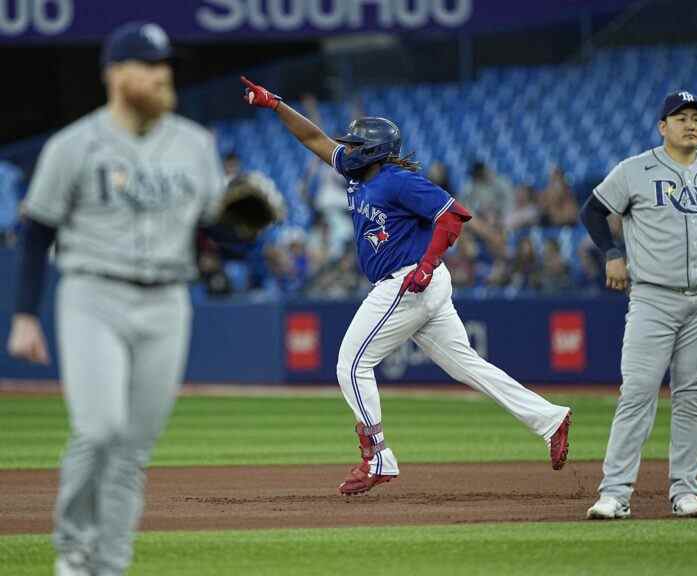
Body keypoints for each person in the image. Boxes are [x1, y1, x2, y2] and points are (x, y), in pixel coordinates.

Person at [241, 76, 572, 494]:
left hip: (408, 282)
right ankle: (550, 418)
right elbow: (313, 137)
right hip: (413, 283)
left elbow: (453, 216)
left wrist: (428, 265)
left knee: (351, 364)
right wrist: (275, 105)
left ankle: (378, 455)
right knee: (467, 366)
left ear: (377, 150)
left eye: (358, 145)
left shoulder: (397, 180)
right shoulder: (356, 169)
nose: (349, 149)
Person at [6, 23, 228, 576]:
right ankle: (74, 549)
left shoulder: (195, 145)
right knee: (100, 429)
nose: (161, 76)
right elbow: (37, 232)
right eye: (150, 66)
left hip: (168, 299)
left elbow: (215, 233)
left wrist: (241, 231)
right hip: (91, 292)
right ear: (116, 74)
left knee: (132, 449)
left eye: (165, 66)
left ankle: (108, 565)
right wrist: (26, 315)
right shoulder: (73, 145)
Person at [579, 91, 697, 520]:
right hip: (652, 298)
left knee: (691, 397)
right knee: (638, 392)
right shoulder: (635, 170)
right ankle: (614, 493)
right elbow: (592, 211)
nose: (691, 124)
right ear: (663, 127)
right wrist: (612, 253)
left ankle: (685, 491)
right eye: (680, 117)